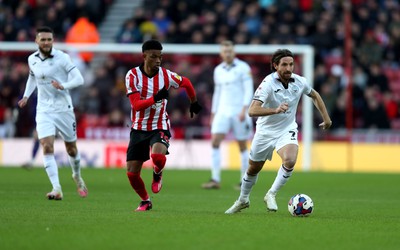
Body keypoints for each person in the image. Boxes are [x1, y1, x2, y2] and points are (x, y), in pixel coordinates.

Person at [225, 49, 332, 214]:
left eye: (291, 64)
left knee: (290, 160)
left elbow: (315, 95)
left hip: (286, 129)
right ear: (275, 66)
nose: (288, 68)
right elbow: (252, 111)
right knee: (253, 168)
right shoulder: (267, 83)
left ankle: (271, 194)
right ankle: (243, 199)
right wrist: (275, 110)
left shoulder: (299, 81)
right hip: (265, 132)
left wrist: (326, 118)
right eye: (284, 65)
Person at [125, 39, 202, 211]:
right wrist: (156, 98)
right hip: (138, 128)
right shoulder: (132, 76)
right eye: (154, 57)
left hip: (159, 125)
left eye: (160, 57)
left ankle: (157, 173)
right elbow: (136, 105)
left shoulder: (166, 75)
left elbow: (186, 82)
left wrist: (193, 102)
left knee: (158, 157)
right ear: (144, 56)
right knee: (131, 173)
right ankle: (145, 200)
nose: (158, 60)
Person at [18, 26, 88, 200]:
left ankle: (77, 176)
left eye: (49, 39)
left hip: (64, 109)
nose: (47, 42)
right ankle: (56, 188)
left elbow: (79, 79)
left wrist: (63, 86)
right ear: (37, 41)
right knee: (47, 146)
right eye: (43, 39)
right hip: (44, 110)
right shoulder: (31, 59)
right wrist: (26, 96)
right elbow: (32, 77)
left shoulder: (62, 58)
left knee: (71, 149)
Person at [202, 40, 254, 190]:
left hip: (240, 111)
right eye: (225, 51)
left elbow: (248, 89)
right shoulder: (218, 69)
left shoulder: (243, 68)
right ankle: (215, 179)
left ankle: (244, 181)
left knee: (242, 145)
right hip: (222, 111)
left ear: (234, 51)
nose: (228, 53)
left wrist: (245, 109)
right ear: (221, 53)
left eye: (230, 51)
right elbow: (217, 93)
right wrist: (213, 112)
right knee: (215, 142)